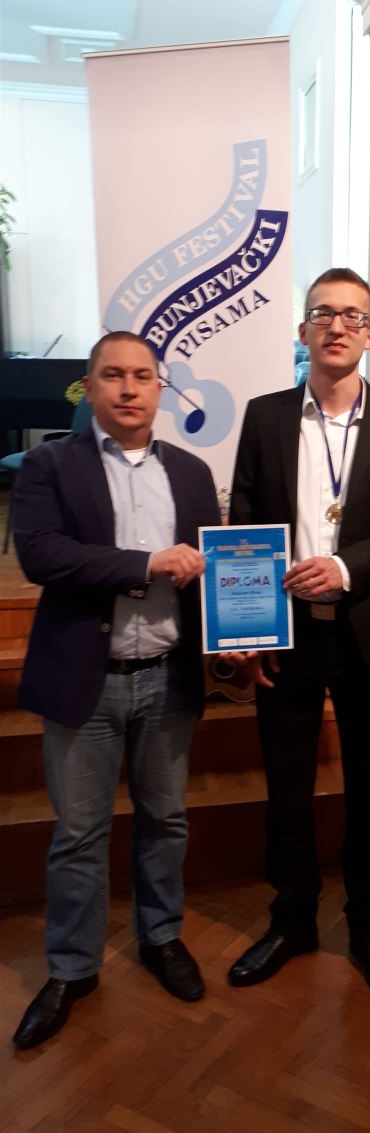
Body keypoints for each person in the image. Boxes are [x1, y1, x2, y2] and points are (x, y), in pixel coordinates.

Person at [226, 268, 370, 1004]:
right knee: (287, 786)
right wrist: (245, 625)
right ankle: (291, 920)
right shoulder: (265, 416)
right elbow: (244, 522)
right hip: (283, 633)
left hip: (367, 633)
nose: (337, 325)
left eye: (352, 315)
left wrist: (346, 567)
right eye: (323, 313)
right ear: (303, 329)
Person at [12, 331, 219, 1050]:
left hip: (168, 677)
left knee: (167, 820)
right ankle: (72, 968)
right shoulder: (48, 465)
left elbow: (215, 568)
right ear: (90, 387)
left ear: (161, 388)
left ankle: (161, 937)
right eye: (113, 375)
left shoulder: (192, 473)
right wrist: (144, 563)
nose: (129, 388)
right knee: (78, 835)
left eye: (142, 376)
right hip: (85, 680)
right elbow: (41, 555)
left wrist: (244, 631)